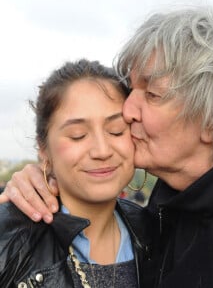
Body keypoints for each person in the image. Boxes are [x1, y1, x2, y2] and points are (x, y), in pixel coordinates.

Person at [2, 5, 213, 287]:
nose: (128, 110)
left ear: (211, 119)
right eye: (132, 90)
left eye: (153, 95)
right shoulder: (157, 220)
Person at [0, 59, 152, 287]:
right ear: (44, 149)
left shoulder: (160, 233)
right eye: (78, 135)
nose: (102, 151)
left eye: (116, 131)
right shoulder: (9, 239)